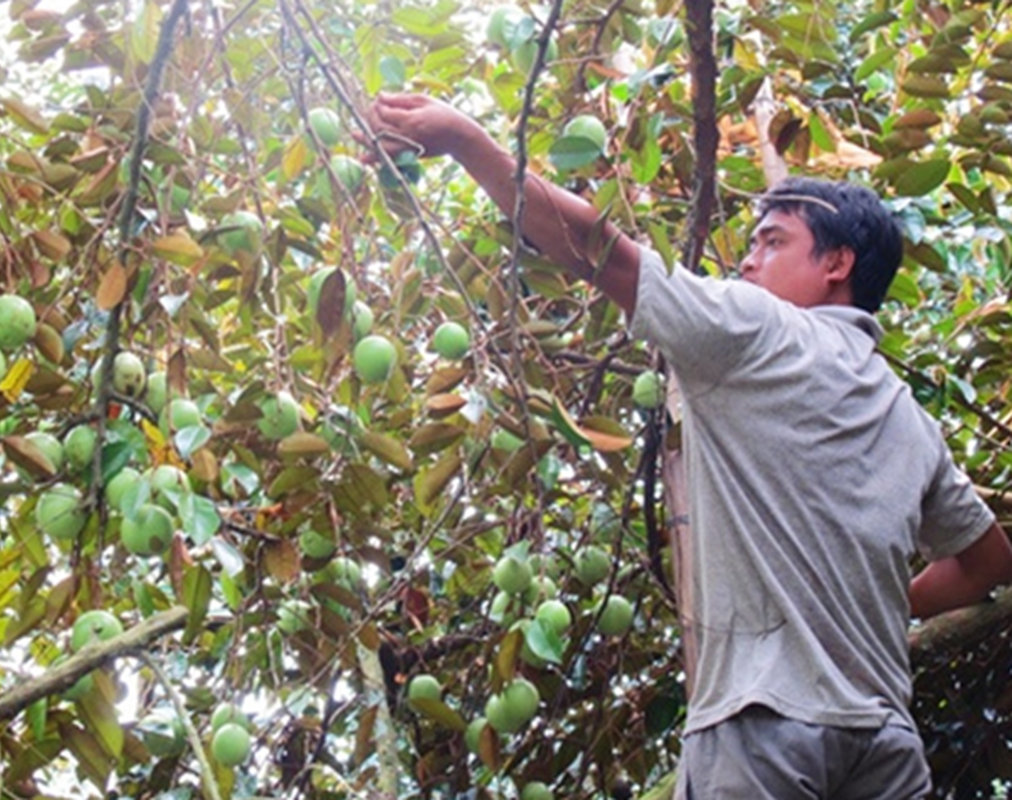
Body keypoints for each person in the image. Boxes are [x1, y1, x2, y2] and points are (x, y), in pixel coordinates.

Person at [364, 92, 1012, 798]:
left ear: (837, 265)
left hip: (766, 726)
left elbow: (596, 249)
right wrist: (872, 612)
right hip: (884, 742)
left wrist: (464, 141)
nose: (747, 262)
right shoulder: (908, 418)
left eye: (772, 242)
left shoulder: (758, 332)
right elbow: (985, 560)